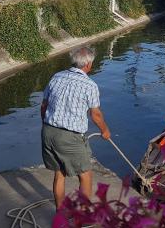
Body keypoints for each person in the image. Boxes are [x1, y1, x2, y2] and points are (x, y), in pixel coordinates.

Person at [40, 47, 111, 209]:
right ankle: (83, 216)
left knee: (59, 173)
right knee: (85, 175)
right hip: (70, 137)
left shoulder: (56, 77)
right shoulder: (89, 85)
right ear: (88, 65)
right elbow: (96, 115)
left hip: (48, 132)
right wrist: (105, 130)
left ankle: (60, 214)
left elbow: (44, 106)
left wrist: (46, 125)